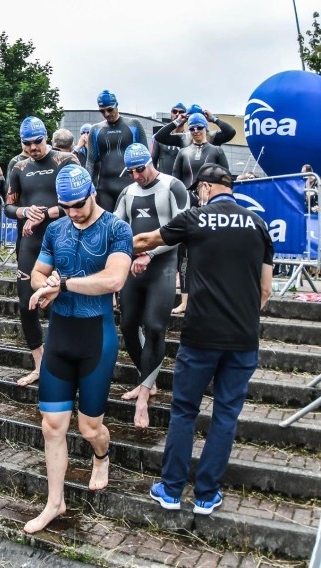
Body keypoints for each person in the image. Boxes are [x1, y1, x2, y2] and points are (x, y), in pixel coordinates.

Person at [135, 163, 273, 516]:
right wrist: (241, 314)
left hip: (201, 334)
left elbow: (149, 240)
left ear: (207, 188)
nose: (198, 195)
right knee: (226, 415)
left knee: (184, 411)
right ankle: (206, 495)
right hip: (242, 338)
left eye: (199, 190)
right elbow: (266, 289)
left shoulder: (197, 217)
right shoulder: (258, 225)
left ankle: (170, 489)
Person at [23, 165, 132, 533]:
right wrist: (46, 282)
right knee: (52, 425)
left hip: (95, 338)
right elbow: (38, 272)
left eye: (78, 204)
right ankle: (55, 502)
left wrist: (64, 284)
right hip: (60, 337)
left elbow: (114, 279)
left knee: (89, 428)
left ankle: (102, 455)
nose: (73, 212)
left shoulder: (117, 229)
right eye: (66, 206)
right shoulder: (56, 229)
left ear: (93, 194)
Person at [113, 144, 188, 428]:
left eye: (139, 169)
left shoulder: (173, 186)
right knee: (129, 326)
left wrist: (149, 253)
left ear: (150, 162)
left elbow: (181, 228)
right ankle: (149, 380)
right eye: (130, 171)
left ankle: (144, 395)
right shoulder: (127, 192)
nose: (135, 176)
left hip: (162, 264)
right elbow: (116, 227)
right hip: (135, 264)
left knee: (155, 327)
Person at [6, 116, 79, 386]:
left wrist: (45, 213)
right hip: (31, 242)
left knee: (65, 302)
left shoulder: (67, 161)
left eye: (37, 142)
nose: (33, 148)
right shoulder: (19, 166)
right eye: (27, 143)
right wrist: (25, 212)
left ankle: (68, 364)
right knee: (27, 304)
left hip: (63, 241)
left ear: (46, 137)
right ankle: (40, 364)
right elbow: (8, 207)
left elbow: (82, 201)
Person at [169, 113, 230, 315]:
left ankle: (210, 297)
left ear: (205, 129)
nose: (195, 131)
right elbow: (176, 182)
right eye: (192, 128)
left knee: (211, 250)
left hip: (210, 204)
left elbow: (225, 180)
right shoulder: (183, 152)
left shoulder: (216, 150)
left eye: (199, 128)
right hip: (188, 203)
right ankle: (185, 300)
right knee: (184, 254)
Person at [86, 90, 148, 212]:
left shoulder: (134, 124)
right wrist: (88, 188)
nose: (107, 114)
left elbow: (146, 158)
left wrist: (147, 183)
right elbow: (90, 161)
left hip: (130, 185)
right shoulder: (95, 129)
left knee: (131, 226)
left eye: (110, 109)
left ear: (116, 105)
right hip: (105, 188)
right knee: (106, 227)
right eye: (102, 111)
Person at [151, 104, 188, 175]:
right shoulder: (159, 137)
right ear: (171, 115)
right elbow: (153, 161)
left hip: (182, 182)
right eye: (174, 111)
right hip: (164, 181)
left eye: (181, 112)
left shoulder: (188, 138)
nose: (177, 114)